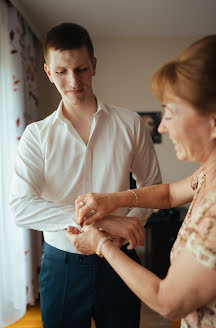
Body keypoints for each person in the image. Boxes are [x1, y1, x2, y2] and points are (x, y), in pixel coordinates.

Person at [9, 22, 161, 328]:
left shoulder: (130, 123)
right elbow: (20, 207)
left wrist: (125, 226)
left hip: (120, 259)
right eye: (62, 72)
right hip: (62, 265)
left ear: (93, 66)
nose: (73, 81)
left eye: (80, 69)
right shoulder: (36, 135)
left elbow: (152, 186)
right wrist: (102, 220)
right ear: (49, 72)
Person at [67, 35, 216, 328]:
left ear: (214, 122)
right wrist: (115, 198)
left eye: (171, 113)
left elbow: (168, 302)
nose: (162, 126)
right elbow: (168, 195)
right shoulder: (207, 173)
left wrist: (101, 244)